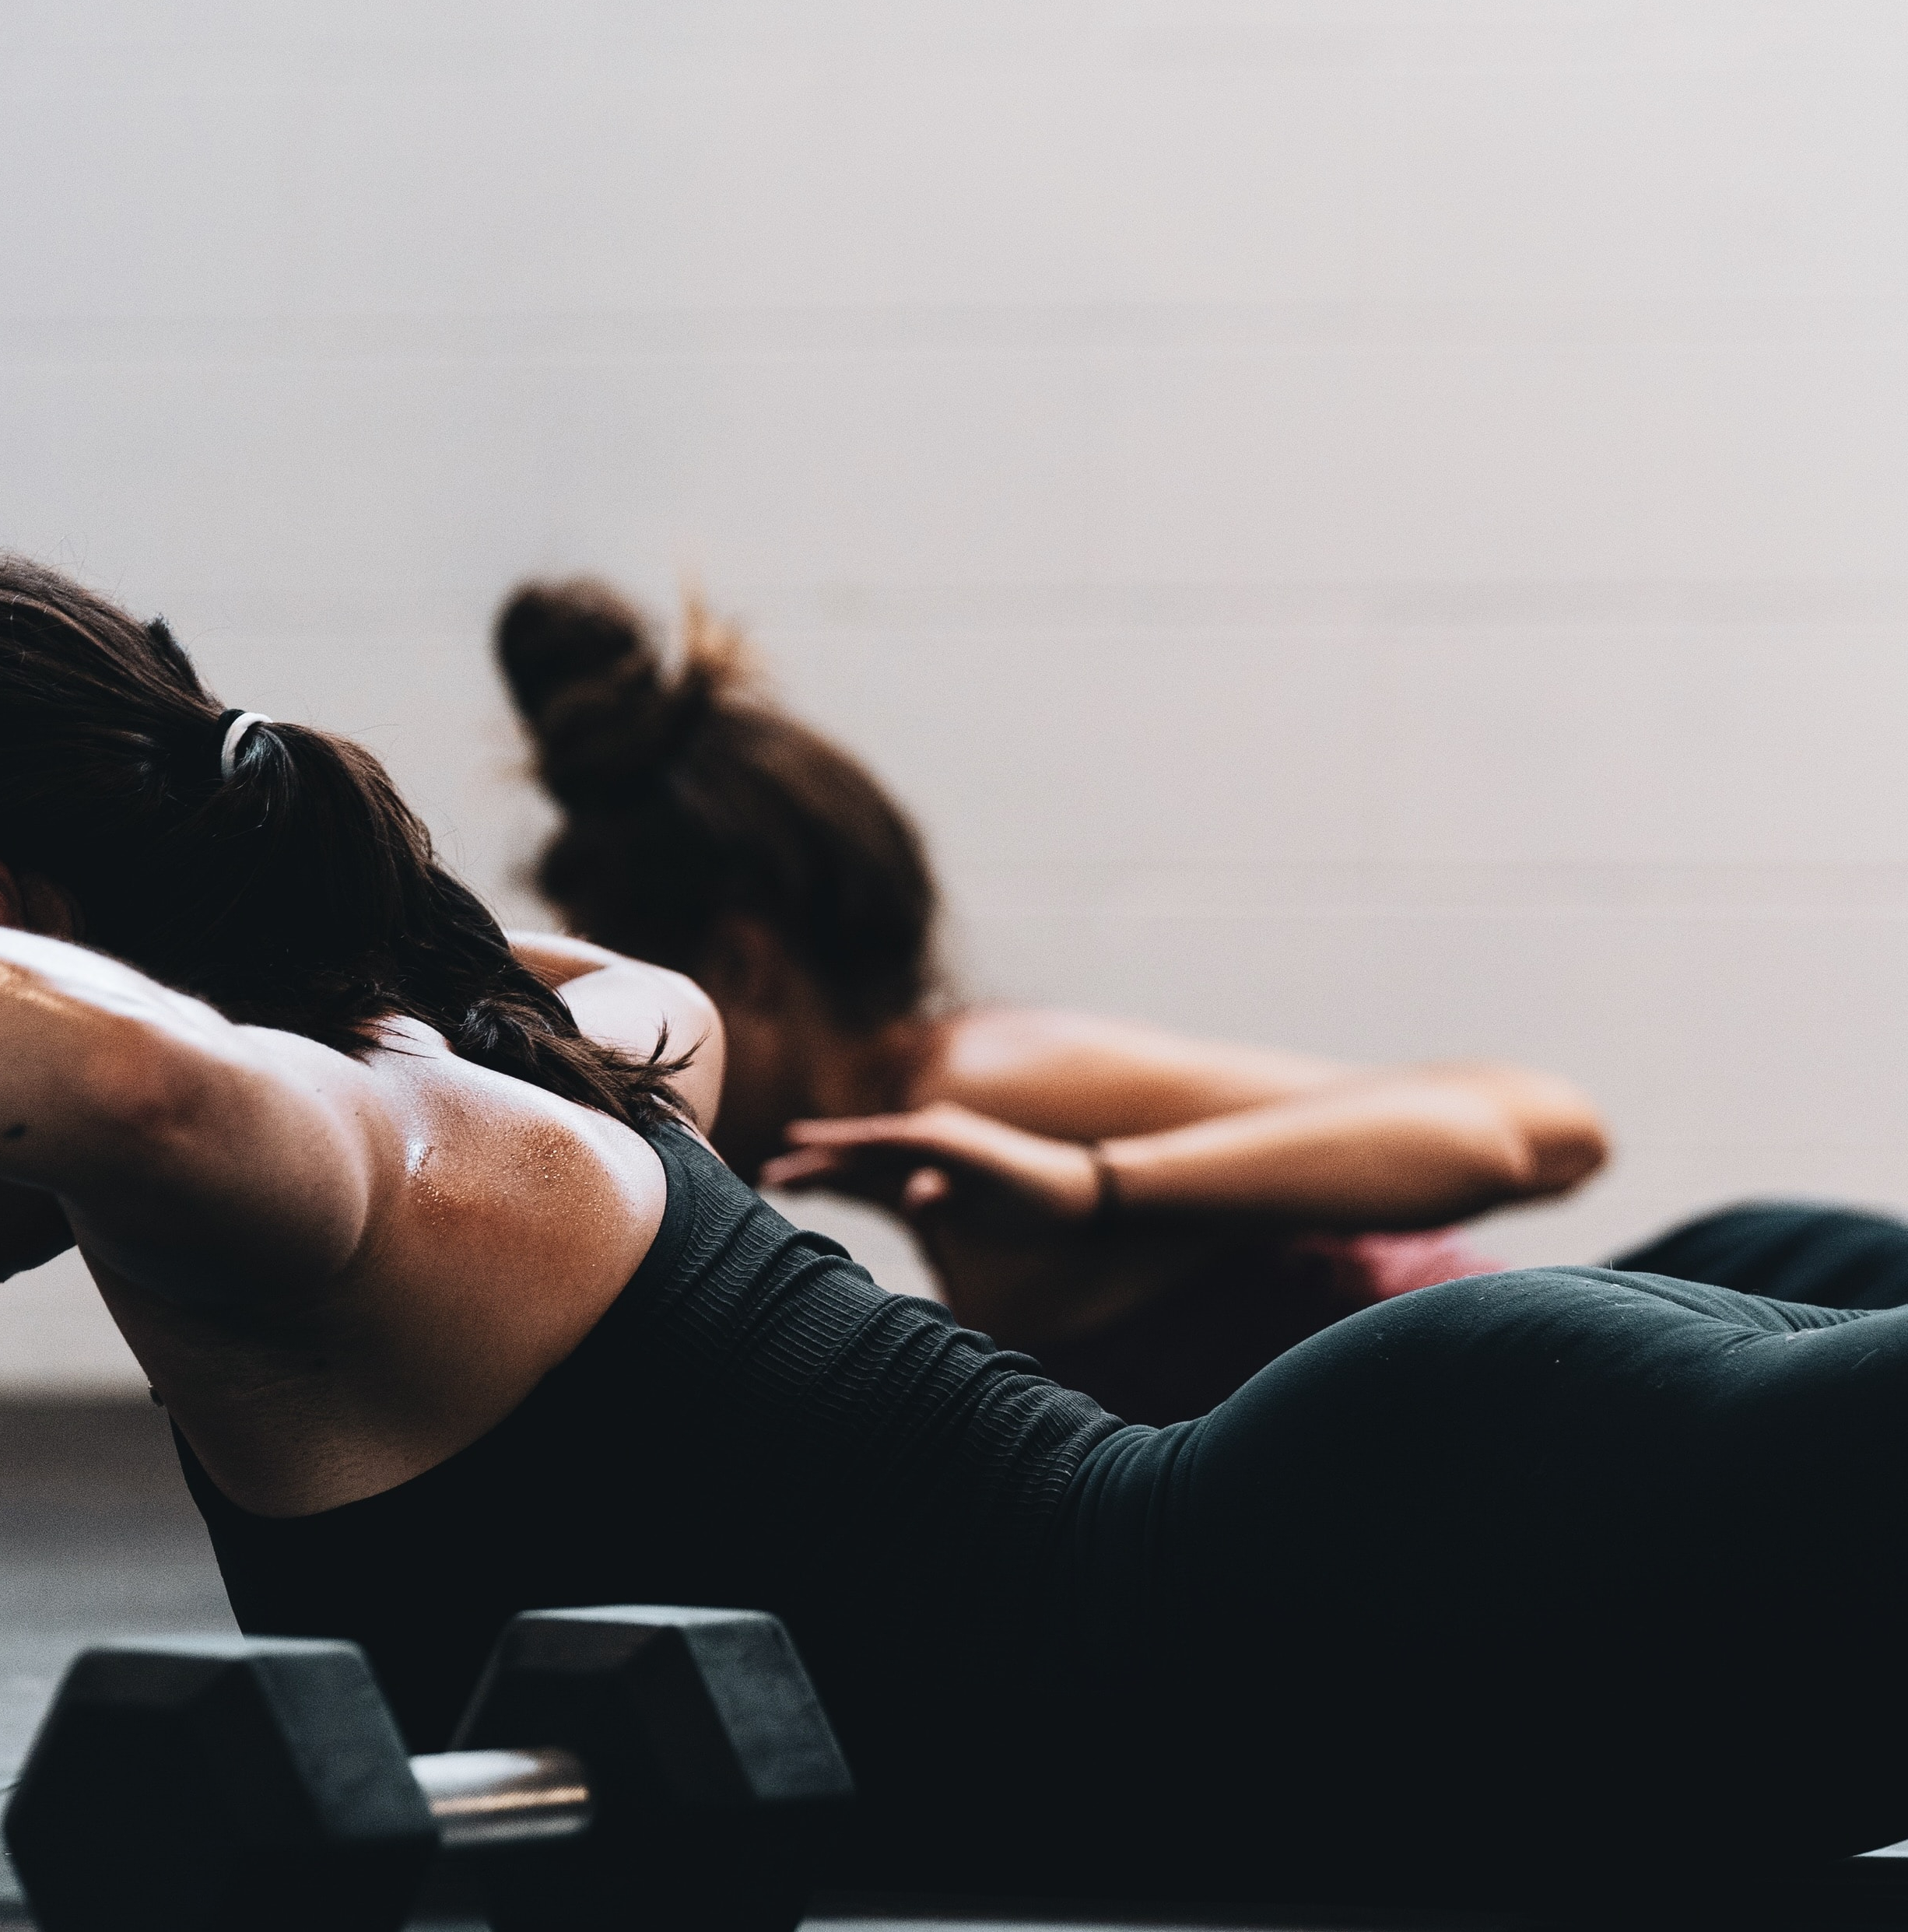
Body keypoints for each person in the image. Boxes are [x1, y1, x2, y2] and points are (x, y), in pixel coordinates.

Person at [0, 554, 1904, 1903]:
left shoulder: (330, 1166)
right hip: (1426, 1599)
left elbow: (121, 1067)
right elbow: (233, 1012)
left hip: (1405, 1593)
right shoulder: (535, 1043)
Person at [495, 579, 1908, 1420]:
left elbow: (1536, 1131)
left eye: (627, 1009)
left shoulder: (987, 1086)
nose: (614, 1067)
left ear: (743, 967)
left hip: (1707, 1348)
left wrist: (1099, 1186)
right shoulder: (946, 1158)